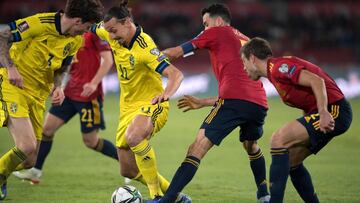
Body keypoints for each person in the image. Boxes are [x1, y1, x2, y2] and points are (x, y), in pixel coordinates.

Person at [149, 3, 270, 203]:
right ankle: (264, 194)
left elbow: (176, 52)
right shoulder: (245, 39)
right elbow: (243, 90)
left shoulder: (218, 32)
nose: (205, 29)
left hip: (233, 103)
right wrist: (204, 102)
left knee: (196, 148)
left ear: (219, 21)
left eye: (206, 24)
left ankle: (168, 199)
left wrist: (146, 58)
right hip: (258, 104)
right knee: (251, 146)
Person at [0, 0, 104, 200]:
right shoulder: (39, 23)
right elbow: (2, 36)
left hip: (38, 96)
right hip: (13, 87)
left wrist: (58, 87)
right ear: (77, 21)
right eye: (87, 26)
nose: (86, 32)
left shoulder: (75, 40)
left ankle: (2, 173)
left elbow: (63, 67)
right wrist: (11, 67)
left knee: (30, 160)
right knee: (26, 146)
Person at [90, 1, 190, 202]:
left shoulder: (145, 47)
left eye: (114, 31)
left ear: (127, 22)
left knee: (135, 136)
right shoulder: (109, 31)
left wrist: (166, 94)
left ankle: (157, 197)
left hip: (153, 104)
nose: (110, 36)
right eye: (108, 31)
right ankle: (176, 196)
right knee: (127, 170)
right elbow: (90, 26)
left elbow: (175, 74)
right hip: (127, 108)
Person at [240, 37, 352, 203]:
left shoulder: (279, 68)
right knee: (292, 161)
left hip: (335, 110)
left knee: (278, 139)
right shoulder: (274, 74)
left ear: (252, 58)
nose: (243, 67)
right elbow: (306, 96)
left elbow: (316, 80)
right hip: (327, 110)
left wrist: (323, 112)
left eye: (243, 61)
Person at [12, 32, 123, 184]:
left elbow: (108, 60)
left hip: (88, 96)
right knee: (47, 130)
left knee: (91, 141)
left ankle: (127, 163)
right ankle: (35, 171)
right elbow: (64, 64)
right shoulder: (68, 35)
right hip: (69, 93)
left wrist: (94, 83)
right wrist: (58, 86)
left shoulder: (94, 34)